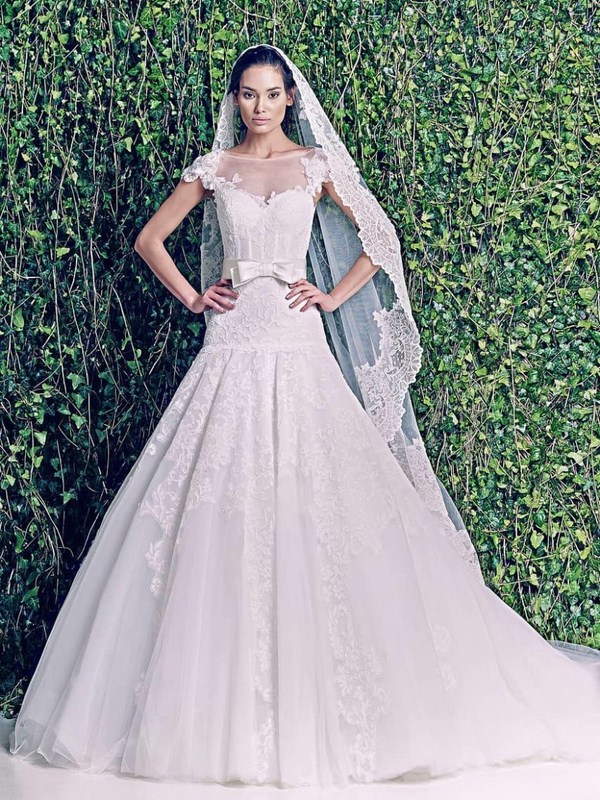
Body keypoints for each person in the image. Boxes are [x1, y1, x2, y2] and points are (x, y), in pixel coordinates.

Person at [7, 43, 600, 790]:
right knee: (215, 499)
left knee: (318, 496)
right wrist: (194, 296)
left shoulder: (316, 166)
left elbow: (380, 239)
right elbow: (148, 240)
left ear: (290, 98)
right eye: (247, 94)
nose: (259, 107)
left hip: (295, 340)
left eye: (270, 94)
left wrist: (330, 296)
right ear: (234, 100)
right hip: (230, 342)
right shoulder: (214, 168)